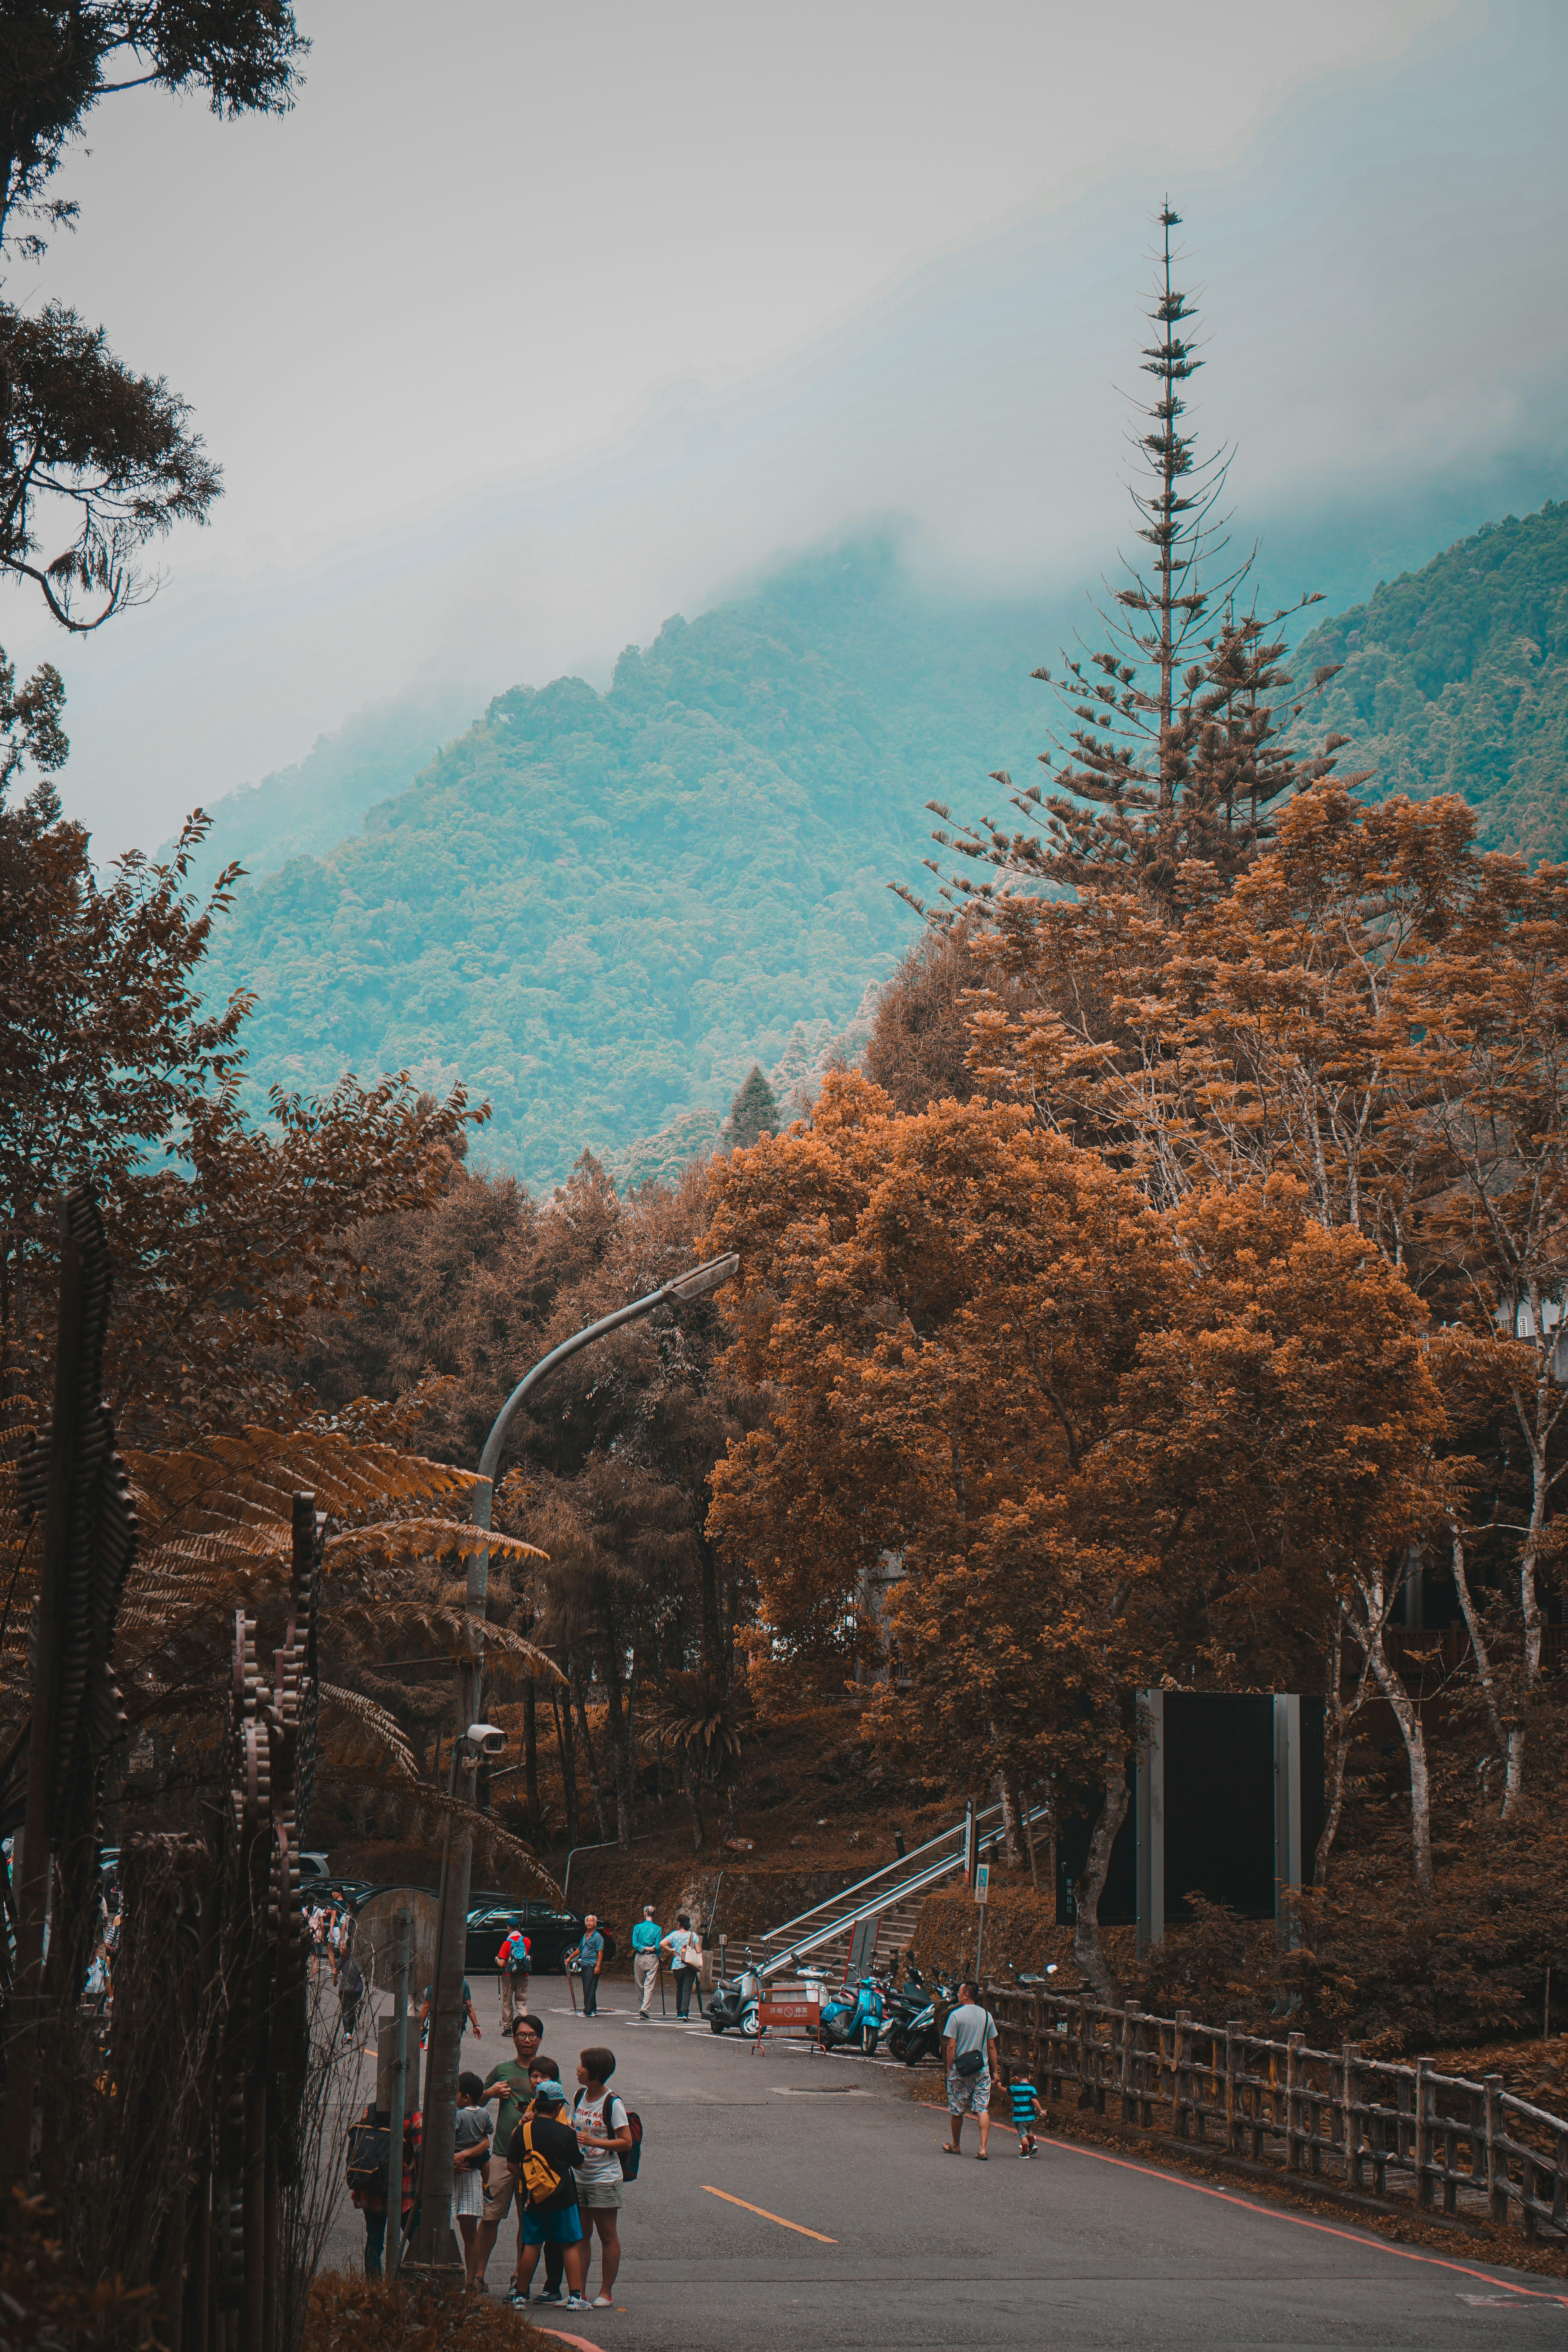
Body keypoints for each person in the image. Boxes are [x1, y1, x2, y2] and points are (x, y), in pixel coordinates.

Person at [474, 2014, 545, 2287]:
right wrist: (490, 2092)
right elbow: (473, 2099)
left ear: (540, 2039)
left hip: (534, 2158)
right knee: (491, 2216)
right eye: (521, 2035)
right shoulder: (503, 2069)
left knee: (526, 2218)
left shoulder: (546, 2071)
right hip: (503, 2155)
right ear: (514, 2038)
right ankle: (478, 2275)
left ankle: (520, 2276)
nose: (527, 2041)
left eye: (532, 2036)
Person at [507, 2080, 588, 2312]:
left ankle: (521, 2297)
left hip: (534, 2197)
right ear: (558, 2107)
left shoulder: (524, 2131)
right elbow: (579, 2164)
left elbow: (512, 2165)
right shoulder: (565, 2133)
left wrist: (530, 2181)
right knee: (569, 2244)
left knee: (531, 2244)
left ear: (537, 2105)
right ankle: (575, 2298)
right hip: (563, 2197)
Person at [571, 2045, 633, 2309]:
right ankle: (580, 2293)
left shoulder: (612, 2103)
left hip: (604, 2178)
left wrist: (595, 2141)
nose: (578, 2069)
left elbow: (626, 2142)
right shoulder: (579, 2096)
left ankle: (606, 2292)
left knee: (607, 2235)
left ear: (594, 2073)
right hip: (579, 2176)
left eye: (582, 2066)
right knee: (581, 2236)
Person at [348, 2096, 419, 2278]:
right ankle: (408, 2284)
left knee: (374, 2242)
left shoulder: (370, 2111)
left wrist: (358, 2190)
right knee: (418, 2241)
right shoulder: (412, 2115)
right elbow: (422, 2154)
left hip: (371, 2190)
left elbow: (364, 2153)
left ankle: (374, 2289)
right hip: (403, 2196)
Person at [942, 1978, 1000, 2158]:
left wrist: (950, 2069)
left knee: (957, 2110)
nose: (958, 1995)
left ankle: (956, 2145)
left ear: (966, 1995)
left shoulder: (956, 2016)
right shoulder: (987, 2016)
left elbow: (951, 2045)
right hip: (982, 2070)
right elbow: (991, 2047)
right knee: (982, 2108)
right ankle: (982, 2148)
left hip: (961, 2070)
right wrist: (995, 2071)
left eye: (960, 1993)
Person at [454, 2071, 493, 2286]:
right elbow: (486, 2141)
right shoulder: (485, 2114)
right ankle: (471, 2281)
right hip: (473, 2174)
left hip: (459, 2173)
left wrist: (457, 2157)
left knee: (461, 2230)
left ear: (466, 2096)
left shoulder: (457, 2115)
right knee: (470, 2232)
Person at [420, 1976, 481, 2047]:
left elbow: (427, 2005)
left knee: (438, 2048)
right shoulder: (463, 1982)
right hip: (458, 2023)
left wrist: (421, 2025)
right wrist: (476, 2025)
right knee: (454, 2048)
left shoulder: (435, 1982)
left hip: (439, 2022)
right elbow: (468, 2005)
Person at [661, 1913, 701, 2019]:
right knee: (687, 1990)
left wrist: (672, 1951)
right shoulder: (693, 1936)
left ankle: (679, 2013)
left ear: (679, 1923)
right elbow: (699, 1951)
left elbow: (662, 1944)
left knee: (679, 1989)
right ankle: (685, 2013)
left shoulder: (674, 1935)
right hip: (690, 1966)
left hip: (677, 1965)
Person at [497, 1924, 531, 2031]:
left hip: (509, 1976)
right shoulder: (527, 1941)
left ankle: (507, 2028)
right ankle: (527, 2025)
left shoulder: (507, 1944)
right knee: (521, 2002)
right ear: (519, 1927)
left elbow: (502, 1964)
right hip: (523, 1975)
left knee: (507, 2002)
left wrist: (497, 1960)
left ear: (508, 1928)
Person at [630, 1906, 661, 2020]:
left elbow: (635, 1944)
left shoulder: (637, 1928)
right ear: (654, 1915)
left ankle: (642, 2008)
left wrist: (644, 1948)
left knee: (639, 1984)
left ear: (645, 1914)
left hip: (640, 1956)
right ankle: (645, 2010)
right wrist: (658, 1953)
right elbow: (657, 1947)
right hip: (652, 1957)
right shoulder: (658, 1929)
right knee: (649, 1984)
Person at [1005, 2062, 1042, 2157]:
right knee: (1029, 2130)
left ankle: (1025, 2153)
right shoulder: (1032, 2089)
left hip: (1020, 2118)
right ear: (1029, 2077)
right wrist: (1041, 2111)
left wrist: (998, 2085)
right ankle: (1033, 2145)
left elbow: (1006, 2091)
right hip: (1031, 2117)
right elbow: (1034, 2100)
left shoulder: (1015, 2088)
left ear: (1017, 2078)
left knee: (1023, 2135)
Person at [575, 1916, 604, 2018]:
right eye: (588, 1921)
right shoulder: (586, 1935)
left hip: (592, 1965)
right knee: (589, 1987)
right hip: (584, 1964)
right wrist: (569, 1958)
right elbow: (580, 1949)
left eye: (592, 1921)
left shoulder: (598, 1937)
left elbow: (600, 1952)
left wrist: (598, 1966)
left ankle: (588, 2011)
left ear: (595, 1924)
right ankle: (593, 2009)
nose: (589, 1923)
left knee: (589, 1988)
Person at [339, 1947, 365, 2042]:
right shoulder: (360, 1958)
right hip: (357, 1988)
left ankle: (347, 2034)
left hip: (345, 1987)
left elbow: (336, 1969)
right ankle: (350, 2032)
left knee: (345, 2010)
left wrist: (335, 1980)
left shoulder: (344, 1957)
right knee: (353, 2010)